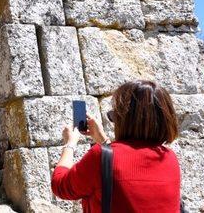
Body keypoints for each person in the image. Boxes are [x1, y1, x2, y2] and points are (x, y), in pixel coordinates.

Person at [51, 80, 181, 212]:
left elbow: (60, 185)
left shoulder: (99, 156)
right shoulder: (170, 159)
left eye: (114, 115)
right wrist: (103, 141)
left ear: (122, 119)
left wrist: (70, 144)